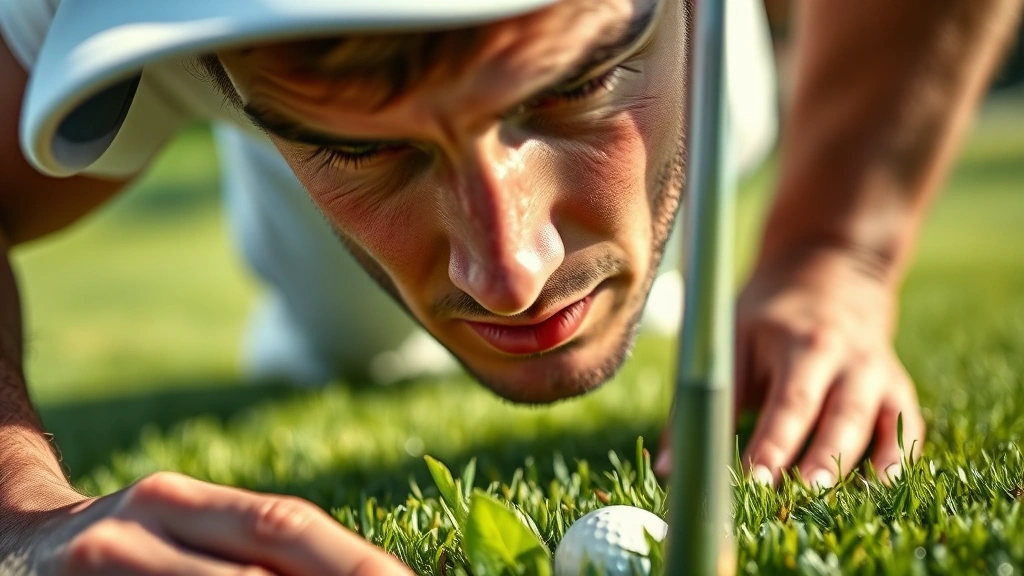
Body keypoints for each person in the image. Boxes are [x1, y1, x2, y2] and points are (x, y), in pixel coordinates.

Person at [0, 0, 1020, 573]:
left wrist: (834, 257)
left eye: (573, 87)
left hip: (718, 74)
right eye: (360, 150)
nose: (512, 273)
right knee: (351, 340)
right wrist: (18, 516)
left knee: (727, 136)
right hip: (309, 244)